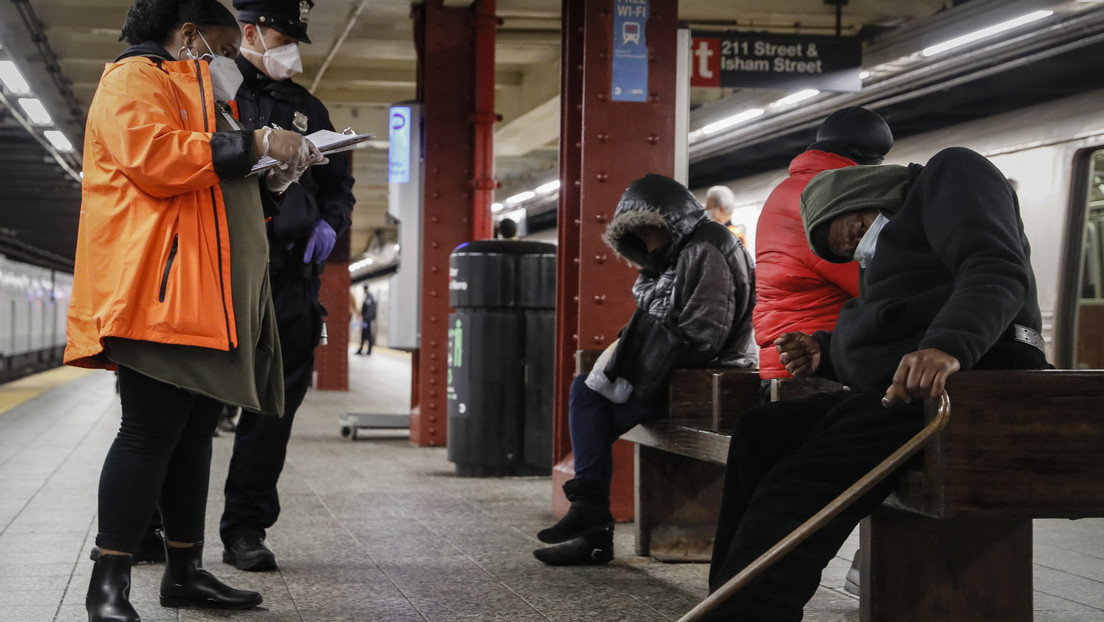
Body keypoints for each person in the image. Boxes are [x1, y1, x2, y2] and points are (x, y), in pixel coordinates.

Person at [704, 147, 1049, 621]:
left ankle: (749, 616)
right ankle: (722, 602)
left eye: (852, 233)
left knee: (799, 483)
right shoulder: (892, 256)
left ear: (869, 200)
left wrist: (949, 344)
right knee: (760, 430)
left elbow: (995, 267)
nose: (856, 251)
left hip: (975, 375)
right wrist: (826, 352)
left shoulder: (951, 173)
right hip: (913, 384)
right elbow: (889, 336)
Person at [66, 0, 322, 619]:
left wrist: (272, 177)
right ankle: (108, 584)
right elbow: (157, 160)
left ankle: (185, 571)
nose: (227, 62)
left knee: (192, 440)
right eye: (223, 48)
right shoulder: (133, 80)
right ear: (188, 36)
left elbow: (209, 192)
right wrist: (251, 142)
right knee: (148, 434)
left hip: (203, 294)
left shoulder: (192, 92)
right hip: (156, 289)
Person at [533, 174, 757, 566]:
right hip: (678, 374)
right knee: (586, 391)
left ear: (668, 221)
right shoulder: (679, 253)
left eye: (649, 232)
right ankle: (589, 516)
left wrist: (641, 354)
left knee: (591, 406)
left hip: (707, 382)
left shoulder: (707, 247)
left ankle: (592, 528)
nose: (647, 244)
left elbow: (705, 335)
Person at [220, 0, 357, 572]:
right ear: (249, 32)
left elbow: (338, 188)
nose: (291, 50)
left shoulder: (307, 108)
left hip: (291, 280)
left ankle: (245, 530)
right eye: (281, 37)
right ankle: (159, 523)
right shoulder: (215, 95)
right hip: (223, 275)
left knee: (274, 408)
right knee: (192, 404)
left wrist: (331, 222)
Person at [753, 107, 893, 396]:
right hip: (816, 367)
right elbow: (880, 286)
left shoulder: (786, 190)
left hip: (782, 365)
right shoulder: (833, 200)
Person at [355, 286, 377, 355]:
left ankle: (368, 350)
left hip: (367, 320)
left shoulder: (369, 297)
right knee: (364, 334)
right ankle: (361, 349)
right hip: (366, 319)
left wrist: (365, 318)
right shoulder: (368, 297)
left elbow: (369, 309)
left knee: (367, 334)